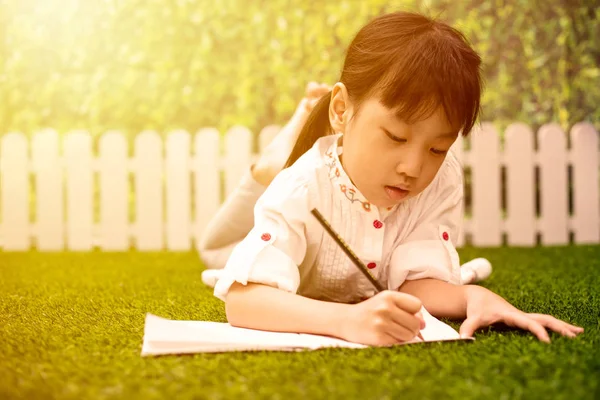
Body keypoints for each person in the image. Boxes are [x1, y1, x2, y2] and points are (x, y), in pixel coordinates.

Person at [199, 11, 584, 346]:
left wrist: (472, 297)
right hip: (243, 237)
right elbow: (243, 300)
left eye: (437, 148)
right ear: (341, 110)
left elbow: (411, 282)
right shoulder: (300, 186)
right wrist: (346, 320)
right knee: (216, 250)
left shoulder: (441, 179)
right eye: (396, 137)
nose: (413, 168)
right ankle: (268, 165)